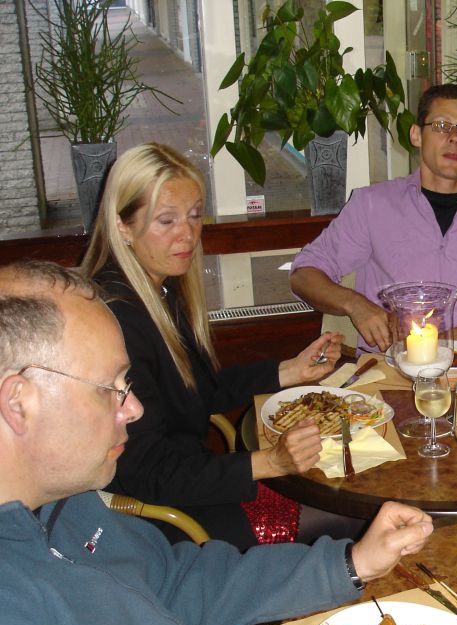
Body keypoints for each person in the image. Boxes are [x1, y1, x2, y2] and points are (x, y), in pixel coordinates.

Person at [0, 260, 434, 625]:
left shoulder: (59, 502)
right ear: (19, 402)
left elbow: (176, 584)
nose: (133, 408)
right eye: (110, 388)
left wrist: (349, 562)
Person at [81, 143, 344, 549]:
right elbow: (147, 472)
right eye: (166, 220)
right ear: (123, 226)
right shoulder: (117, 321)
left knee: (340, 480)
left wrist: (290, 370)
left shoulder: (157, 290)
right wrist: (269, 462)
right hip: (164, 518)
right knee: (348, 511)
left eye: (193, 215)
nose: (187, 234)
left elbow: (197, 389)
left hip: (194, 480)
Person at [289, 83, 457, 352]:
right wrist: (356, 305)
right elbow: (304, 274)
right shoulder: (372, 206)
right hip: (390, 368)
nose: (454, 137)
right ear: (416, 135)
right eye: (442, 126)